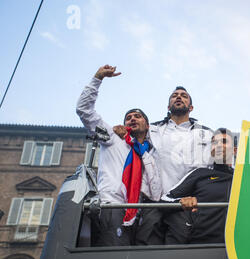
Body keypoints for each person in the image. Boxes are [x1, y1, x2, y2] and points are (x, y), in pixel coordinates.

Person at [114, 86, 213, 244]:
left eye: (183, 96)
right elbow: (130, 136)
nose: (178, 97)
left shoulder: (207, 134)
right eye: (174, 96)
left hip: (186, 203)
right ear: (168, 106)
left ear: (191, 107)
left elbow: (211, 168)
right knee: (146, 247)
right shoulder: (152, 129)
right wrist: (120, 131)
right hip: (155, 201)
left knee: (179, 250)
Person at [76, 65, 162, 246]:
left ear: (147, 126)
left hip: (137, 215)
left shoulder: (149, 153)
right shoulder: (112, 138)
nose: (132, 118)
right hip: (112, 208)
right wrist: (97, 78)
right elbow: (84, 111)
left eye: (137, 116)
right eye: (129, 117)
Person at [159, 128, 237, 244]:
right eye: (214, 142)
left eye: (224, 141)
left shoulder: (243, 179)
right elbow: (164, 200)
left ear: (235, 150)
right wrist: (182, 202)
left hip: (234, 249)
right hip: (198, 246)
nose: (219, 145)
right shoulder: (200, 173)